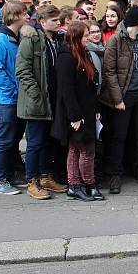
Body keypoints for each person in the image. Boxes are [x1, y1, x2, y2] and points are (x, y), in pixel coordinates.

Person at [101, 7, 138, 194]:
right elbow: (109, 72)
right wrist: (118, 98)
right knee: (119, 136)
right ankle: (116, 173)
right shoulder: (116, 40)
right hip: (124, 96)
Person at [15, 5, 67, 200]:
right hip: (37, 101)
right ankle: (32, 181)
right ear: (43, 21)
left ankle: (46, 177)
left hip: (53, 99)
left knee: (48, 141)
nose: (58, 23)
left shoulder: (57, 40)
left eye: (58, 20)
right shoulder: (32, 39)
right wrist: (36, 93)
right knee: (35, 143)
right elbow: (22, 69)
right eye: (54, 20)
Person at [55, 21, 104, 202]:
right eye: (85, 35)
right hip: (77, 113)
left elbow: (92, 85)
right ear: (76, 37)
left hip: (88, 110)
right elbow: (66, 89)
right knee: (84, 149)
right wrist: (74, 116)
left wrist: (96, 108)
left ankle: (77, 185)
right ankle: (84, 184)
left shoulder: (83, 53)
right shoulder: (67, 56)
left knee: (79, 149)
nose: (88, 38)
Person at [0, 0, 29, 195]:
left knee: (11, 140)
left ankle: (8, 175)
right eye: (24, 13)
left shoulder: (13, 38)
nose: (28, 17)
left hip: (12, 98)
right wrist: (13, 90)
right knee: (1, 140)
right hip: (3, 100)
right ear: (16, 16)